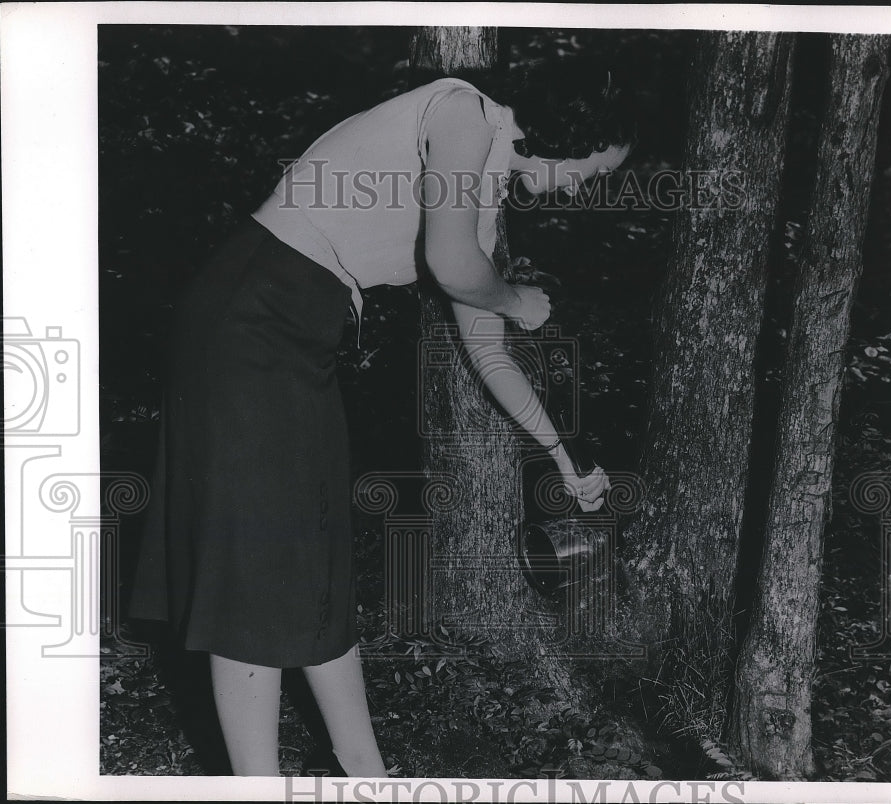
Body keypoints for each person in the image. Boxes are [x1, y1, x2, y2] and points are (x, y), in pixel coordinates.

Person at [128, 55, 636, 777]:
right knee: (255, 570)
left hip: (299, 336)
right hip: (249, 319)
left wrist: (565, 460)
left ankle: (367, 776)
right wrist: (516, 299)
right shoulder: (463, 110)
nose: (590, 186)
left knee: (316, 558)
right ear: (576, 133)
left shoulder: (481, 206)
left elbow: (490, 356)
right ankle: (254, 788)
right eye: (597, 169)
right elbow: (455, 267)